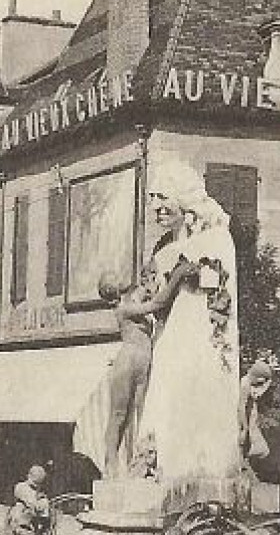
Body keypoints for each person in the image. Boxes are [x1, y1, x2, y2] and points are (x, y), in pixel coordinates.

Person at [135, 160, 244, 508]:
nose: (156, 206)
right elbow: (154, 293)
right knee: (165, 395)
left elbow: (218, 285)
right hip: (169, 337)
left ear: (183, 200)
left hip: (200, 336)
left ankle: (195, 468)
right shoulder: (161, 248)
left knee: (192, 397)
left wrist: (188, 273)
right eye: (152, 198)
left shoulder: (215, 238)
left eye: (162, 198)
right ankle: (155, 463)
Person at [94, 264, 191, 477]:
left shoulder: (131, 301)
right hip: (128, 360)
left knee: (140, 415)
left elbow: (149, 295)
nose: (122, 278)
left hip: (142, 362)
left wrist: (150, 283)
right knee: (118, 415)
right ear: (112, 290)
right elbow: (158, 302)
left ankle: (139, 461)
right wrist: (177, 276)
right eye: (116, 278)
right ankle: (110, 463)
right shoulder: (123, 308)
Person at [5, 464, 53, 535]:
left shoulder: (39, 491)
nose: (37, 486)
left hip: (33, 519)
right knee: (20, 508)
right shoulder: (21, 487)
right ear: (28, 476)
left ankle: (42, 531)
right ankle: (19, 529)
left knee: (45, 504)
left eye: (39, 484)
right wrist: (37, 504)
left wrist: (44, 503)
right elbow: (30, 502)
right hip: (20, 518)